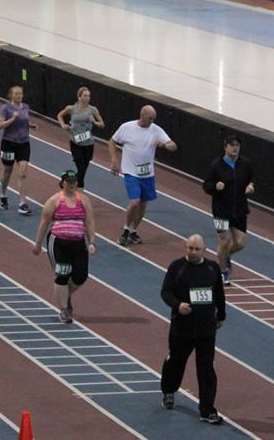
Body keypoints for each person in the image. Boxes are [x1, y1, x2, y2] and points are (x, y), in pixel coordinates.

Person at [159, 234, 225, 424]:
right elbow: (165, 291)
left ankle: (207, 409)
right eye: (190, 248)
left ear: (204, 250)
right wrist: (177, 305)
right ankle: (169, 391)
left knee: (206, 369)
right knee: (175, 362)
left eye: (197, 249)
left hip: (206, 328)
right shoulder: (176, 267)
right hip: (182, 328)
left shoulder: (212, 268)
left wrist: (221, 315)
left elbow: (219, 294)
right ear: (185, 248)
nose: (193, 252)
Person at [32, 170, 98, 323]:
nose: (73, 184)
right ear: (63, 183)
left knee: (80, 276)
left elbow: (89, 222)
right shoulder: (54, 201)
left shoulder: (84, 200)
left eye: (75, 181)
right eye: (70, 182)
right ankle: (64, 310)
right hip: (58, 243)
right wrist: (37, 244)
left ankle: (65, 294)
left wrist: (92, 241)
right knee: (62, 275)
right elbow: (44, 223)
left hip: (78, 243)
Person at [108, 105, 177, 245]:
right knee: (135, 202)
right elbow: (112, 141)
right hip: (131, 172)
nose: (152, 121)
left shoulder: (156, 130)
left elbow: (173, 146)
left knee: (143, 204)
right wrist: (114, 159)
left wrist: (165, 146)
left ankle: (133, 231)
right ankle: (126, 230)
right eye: (150, 118)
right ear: (143, 115)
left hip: (147, 174)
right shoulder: (127, 127)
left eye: (154, 119)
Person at [202, 135, 255, 286]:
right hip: (220, 211)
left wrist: (251, 186)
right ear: (225, 147)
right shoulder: (216, 165)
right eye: (232, 145)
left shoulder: (246, 164)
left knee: (240, 243)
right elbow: (206, 185)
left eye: (237, 145)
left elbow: (252, 178)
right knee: (225, 241)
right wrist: (214, 187)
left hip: (239, 209)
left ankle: (224, 257)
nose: (235, 148)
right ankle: (224, 271)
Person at [0, 86, 37, 215]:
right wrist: (12, 119)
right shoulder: (5, 108)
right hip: (8, 143)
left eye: (21, 93)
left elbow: (24, 121)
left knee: (23, 172)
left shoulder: (25, 107)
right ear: (11, 95)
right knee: (7, 171)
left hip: (24, 143)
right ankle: (3, 195)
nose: (19, 96)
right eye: (16, 94)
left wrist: (30, 125)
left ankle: (22, 203)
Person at [56, 87, 105, 188]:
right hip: (75, 142)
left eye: (88, 96)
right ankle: (78, 194)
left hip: (88, 144)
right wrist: (63, 125)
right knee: (81, 168)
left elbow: (102, 124)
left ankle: (68, 184)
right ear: (79, 97)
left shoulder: (93, 110)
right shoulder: (71, 108)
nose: (87, 98)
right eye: (85, 96)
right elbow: (59, 115)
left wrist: (94, 122)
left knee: (82, 172)